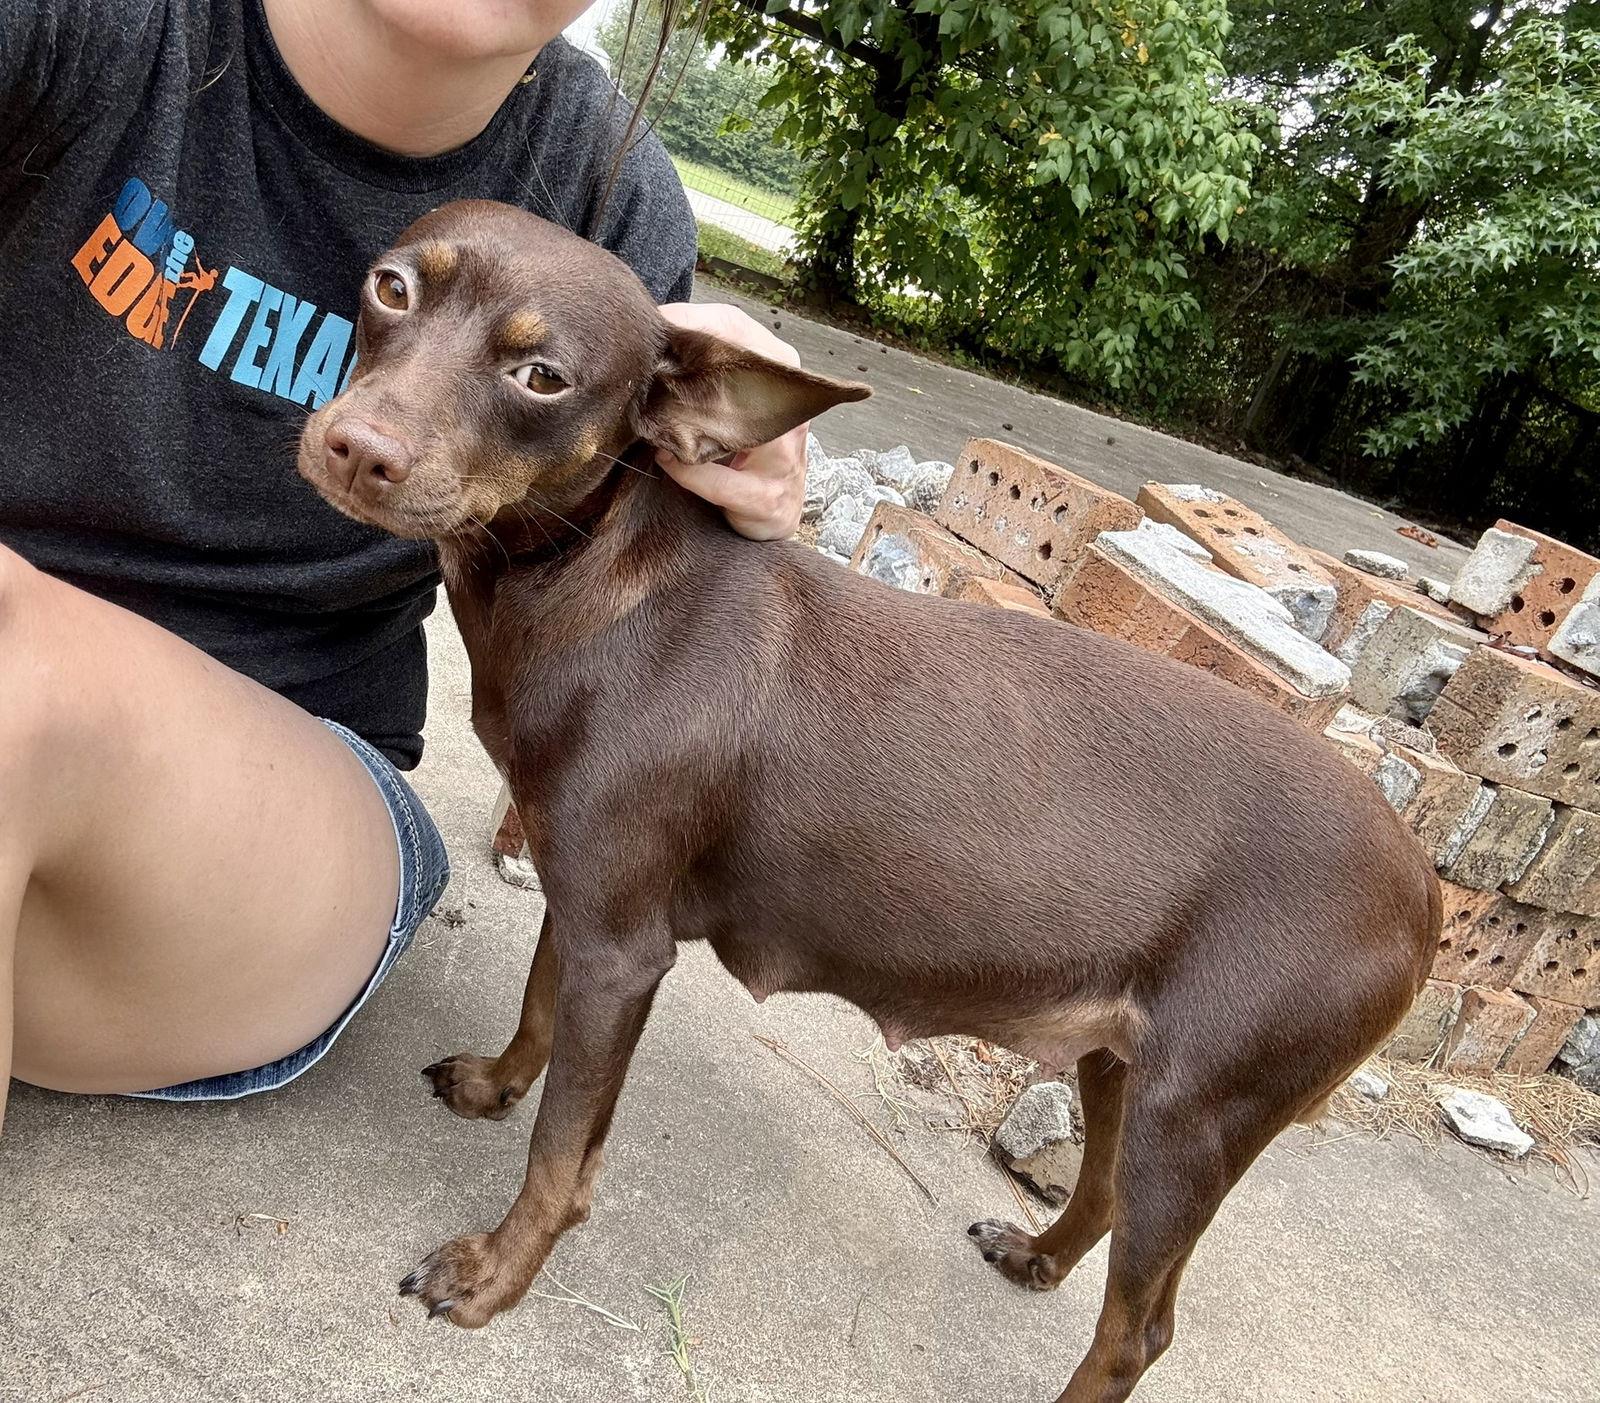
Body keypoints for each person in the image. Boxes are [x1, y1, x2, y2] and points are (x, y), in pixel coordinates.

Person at [0, 0, 811, 1129]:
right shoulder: (92, 24)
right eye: (395, 293)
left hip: (263, 822)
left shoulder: (612, 202)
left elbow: (653, 643)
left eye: (535, 375)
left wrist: (745, 495)